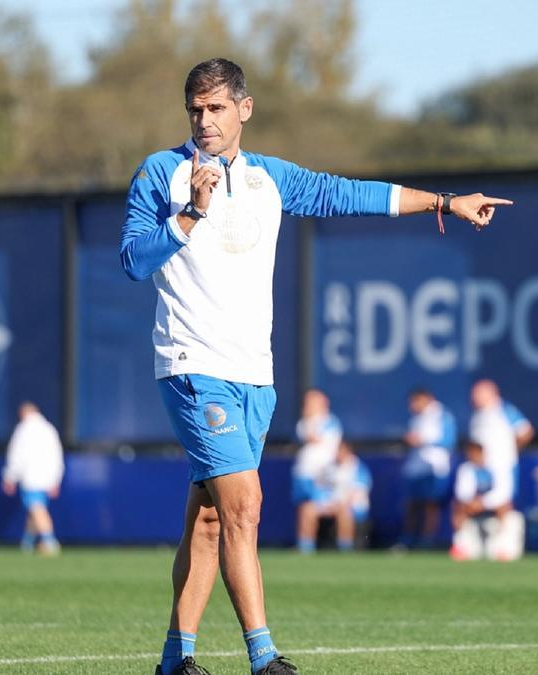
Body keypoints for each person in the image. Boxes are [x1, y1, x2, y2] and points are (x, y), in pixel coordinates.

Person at [119, 58, 511, 675]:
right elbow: (134, 261)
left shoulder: (268, 179)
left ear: (244, 109)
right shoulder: (161, 173)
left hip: (255, 376)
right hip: (193, 366)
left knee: (212, 520)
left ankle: (177, 659)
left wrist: (444, 201)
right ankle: (263, 655)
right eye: (196, 108)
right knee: (245, 503)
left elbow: (350, 194)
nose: (205, 120)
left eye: (217, 107)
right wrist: (189, 214)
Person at [1, 402, 65, 556]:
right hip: (48, 478)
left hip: (31, 478)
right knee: (35, 511)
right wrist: (56, 480)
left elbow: (16, 455)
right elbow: (57, 456)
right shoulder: (49, 429)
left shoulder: (23, 430)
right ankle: (28, 543)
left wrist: (10, 477)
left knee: (37, 509)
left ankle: (50, 542)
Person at [399, 388, 458, 550]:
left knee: (431, 504)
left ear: (426, 399)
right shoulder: (415, 419)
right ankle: (408, 539)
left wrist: (423, 441)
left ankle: (427, 540)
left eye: (415, 401)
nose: (412, 406)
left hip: (435, 467)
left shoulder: (442, 415)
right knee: (412, 504)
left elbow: (448, 441)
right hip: (415, 467)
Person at [450, 440, 525, 562]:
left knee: (505, 506)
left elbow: (503, 493)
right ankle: (462, 545)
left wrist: (483, 503)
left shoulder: (498, 467)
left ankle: (502, 545)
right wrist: (473, 503)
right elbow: (462, 493)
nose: (472, 456)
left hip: (494, 508)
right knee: (458, 507)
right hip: (473, 508)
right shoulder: (466, 469)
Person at [468, 379, 534, 509]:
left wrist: (510, 449)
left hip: (503, 465)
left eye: (477, 394)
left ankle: (507, 528)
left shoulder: (505, 411)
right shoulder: (476, 416)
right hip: (481, 468)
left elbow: (526, 432)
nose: (473, 397)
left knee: (502, 499)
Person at [292, 389, 343, 554]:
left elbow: (315, 438)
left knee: (313, 507)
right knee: (303, 508)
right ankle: (304, 545)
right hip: (302, 474)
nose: (307, 405)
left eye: (311, 401)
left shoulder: (330, 422)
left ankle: (339, 545)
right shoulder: (304, 421)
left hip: (320, 475)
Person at [299, 441, 373, 553]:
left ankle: (345, 548)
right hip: (329, 504)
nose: (337, 453)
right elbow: (319, 487)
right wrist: (325, 503)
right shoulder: (329, 467)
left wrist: (339, 503)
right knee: (307, 509)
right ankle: (306, 548)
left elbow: (358, 493)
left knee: (344, 511)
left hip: (351, 506)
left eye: (340, 450)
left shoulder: (357, 468)